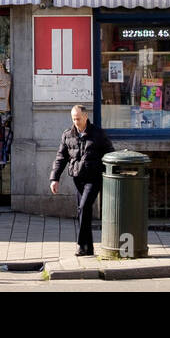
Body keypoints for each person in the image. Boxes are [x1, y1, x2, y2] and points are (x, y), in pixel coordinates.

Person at [50, 104, 114, 257]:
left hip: (94, 177)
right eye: (73, 119)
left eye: (78, 118)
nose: (76, 122)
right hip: (78, 178)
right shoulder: (68, 135)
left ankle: (80, 246)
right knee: (82, 212)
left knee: (84, 208)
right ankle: (88, 248)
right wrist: (54, 178)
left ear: (85, 117)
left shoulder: (98, 134)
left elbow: (110, 153)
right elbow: (61, 158)